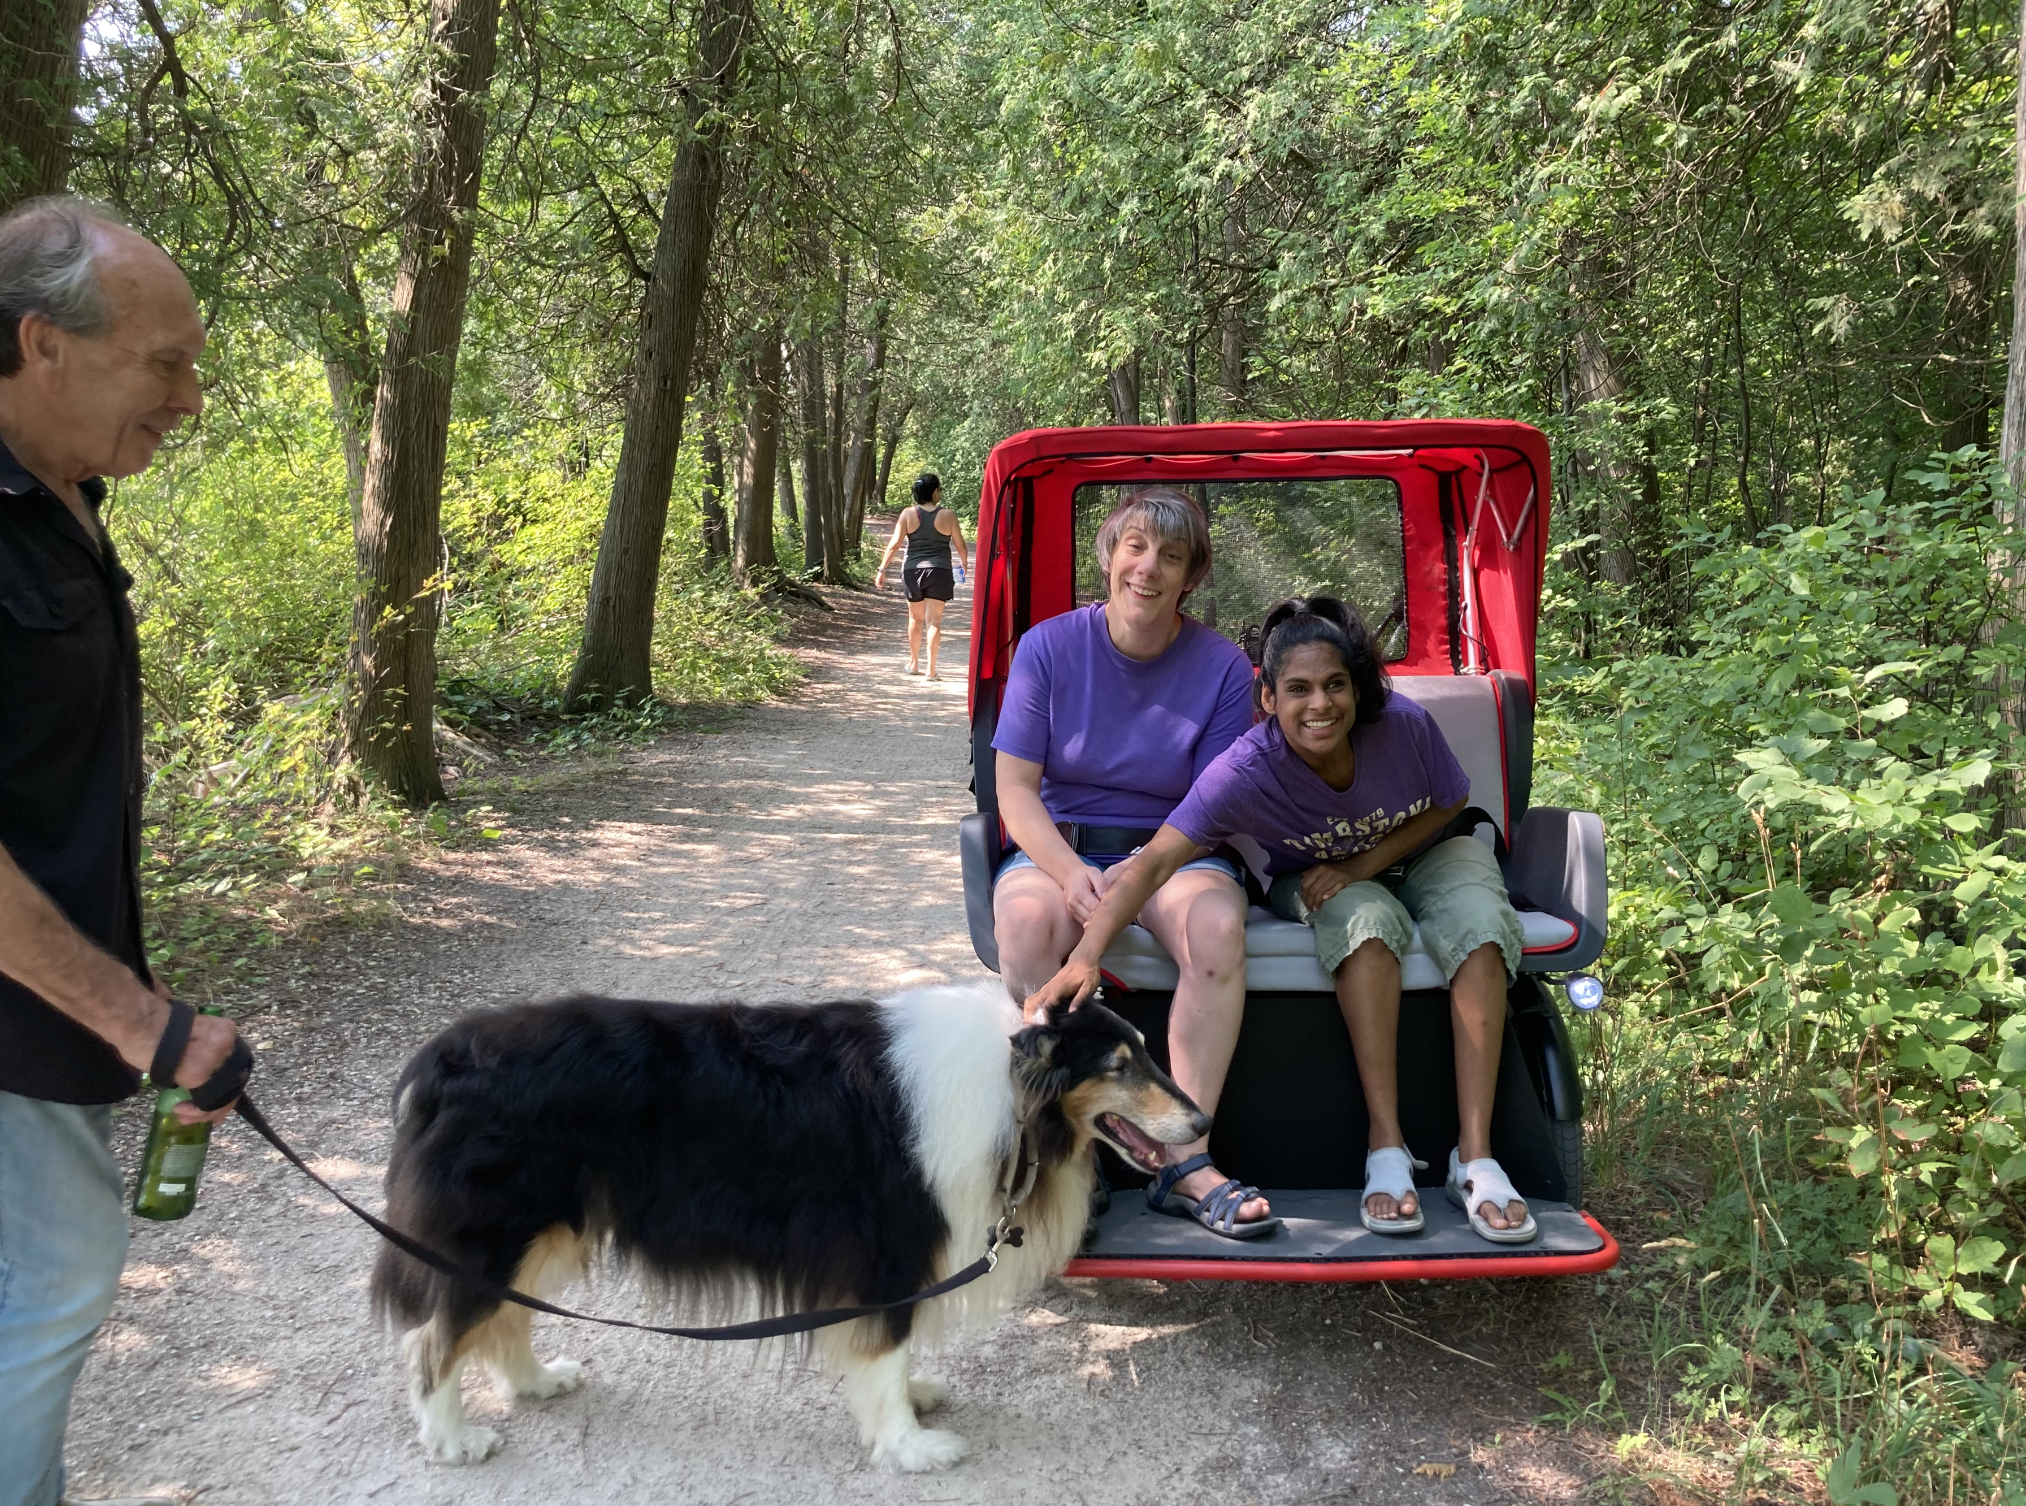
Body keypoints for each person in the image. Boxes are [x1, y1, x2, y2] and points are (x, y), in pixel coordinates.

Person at [1026, 596, 1538, 1245]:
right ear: (1267, 698)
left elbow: (1450, 800)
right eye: (1298, 689)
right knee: (1363, 929)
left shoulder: (1403, 727)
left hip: (1431, 851)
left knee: (1481, 927)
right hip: (1318, 877)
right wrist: (1085, 955)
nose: (1320, 704)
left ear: (1358, 689)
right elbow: (1153, 863)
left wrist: (1363, 863)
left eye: (1335, 685)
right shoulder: (1246, 769)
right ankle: (1386, 1145)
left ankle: (1477, 1156)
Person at [0, 197, 249, 1506]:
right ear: (43, 344)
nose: (190, 399)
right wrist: (142, 1023)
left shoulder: (63, 500)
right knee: (51, 1275)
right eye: (165, 363)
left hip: (37, 1007)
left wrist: (127, 999)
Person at [994, 487, 1278, 1239]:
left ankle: (1186, 1163)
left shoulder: (1223, 667)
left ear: (1191, 578)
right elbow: (1015, 790)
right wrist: (1067, 871)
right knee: (1024, 927)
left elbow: (1213, 804)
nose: (1149, 568)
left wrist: (1138, 870)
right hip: (1062, 847)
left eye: (1171, 556)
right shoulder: (1047, 648)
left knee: (1216, 929)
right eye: (1136, 547)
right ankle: (1063, 1161)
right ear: (1110, 557)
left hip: (1175, 850)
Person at [872, 473, 968, 679]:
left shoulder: (908, 514)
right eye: (939, 489)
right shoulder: (948, 515)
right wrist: (964, 564)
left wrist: (882, 569)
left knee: (915, 618)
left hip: (912, 571)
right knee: (934, 622)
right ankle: (931, 670)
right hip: (939, 571)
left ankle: (914, 663)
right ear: (934, 492)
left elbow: (895, 544)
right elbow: (960, 545)